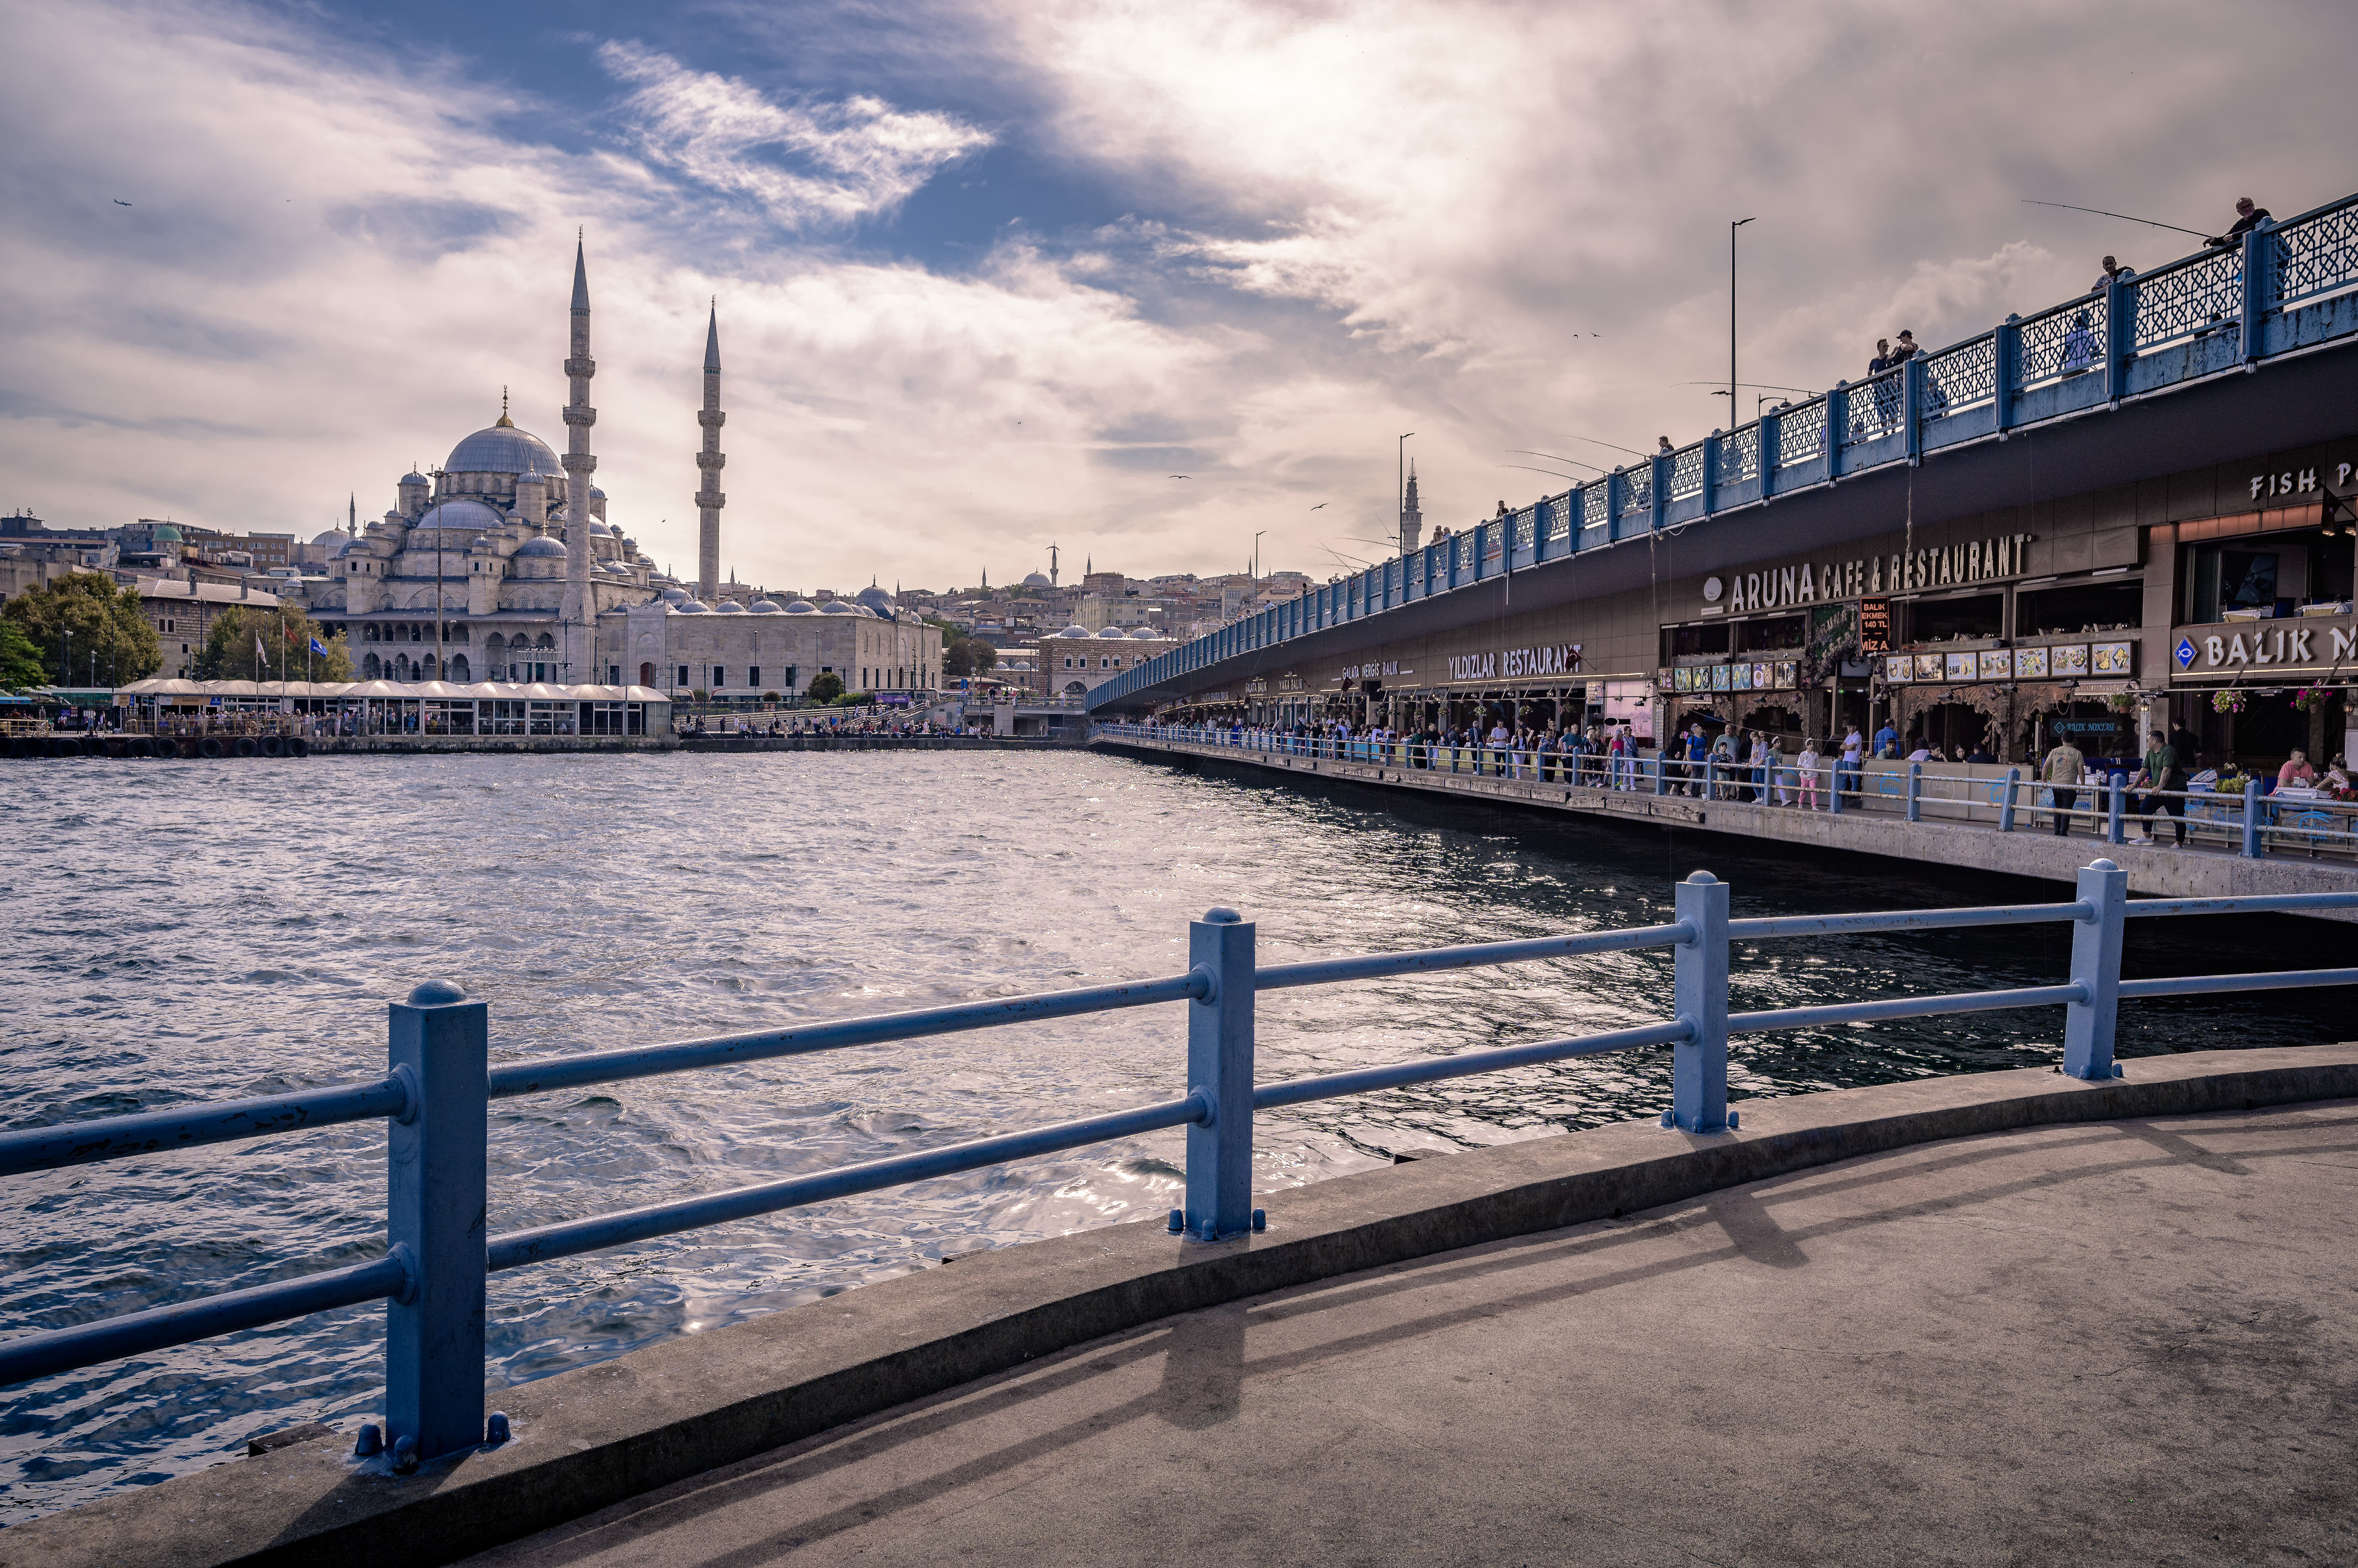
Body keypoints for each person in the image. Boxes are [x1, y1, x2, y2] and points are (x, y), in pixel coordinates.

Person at [2132, 729, 2186, 847]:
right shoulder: (2151, 753)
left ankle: (2179, 843)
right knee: (2145, 807)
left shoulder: (2168, 750)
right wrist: (2134, 785)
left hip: (2174, 789)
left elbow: (2167, 770)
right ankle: (2146, 837)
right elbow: (2144, 770)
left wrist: (2161, 785)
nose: (2147, 742)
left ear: (2154, 741)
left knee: (2177, 816)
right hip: (2158, 790)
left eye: (2148, 740)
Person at [2043, 726, 2086, 837]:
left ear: (2062, 739)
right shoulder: (2077, 753)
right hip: (2069, 785)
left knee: (2057, 807)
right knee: (2066, 809)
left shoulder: (2054, 752)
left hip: (2056, 785)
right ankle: (2063, 831)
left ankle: (2056, 830)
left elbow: (2045, 766)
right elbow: (2081, 770)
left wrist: (2043, 781)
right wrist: (2082, 785)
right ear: (2074, 740)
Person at [2206, 197, 2272, 249]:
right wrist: (2214, 241)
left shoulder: (2262, 213)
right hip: (2257, 251)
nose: (2247, 208)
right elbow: (2227, 236)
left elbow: (2253, 228)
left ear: (2253, 205)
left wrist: (2233, 236)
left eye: (2249, 205)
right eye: (2244, 208)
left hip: (2274, 246)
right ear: (2239, 212)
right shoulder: (2240, 223)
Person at [2061, 310, 2097, 375]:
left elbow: (2065, 352)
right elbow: (2096, 350)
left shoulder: (2070, 335)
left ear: (2075, 324)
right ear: (2085, 324)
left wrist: (2059, 367)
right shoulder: (2089, 334)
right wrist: (2089, 356)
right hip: (2084, 365)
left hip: (2071, 366)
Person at [1839, 724, 1864, 799]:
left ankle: (1853, 794)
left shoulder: (1858, 736)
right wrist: (1848, 747)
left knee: (1853, 777)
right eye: (1847, 728)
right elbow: (1841, 746)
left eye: (1850, 727)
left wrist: (1847, 747)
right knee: (1844, 776)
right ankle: (1843, 793)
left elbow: (1851, 747)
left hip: (1853, 759)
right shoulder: (1849, 736)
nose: (1848, 729)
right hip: (1846, 758)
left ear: (1855, 727)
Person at [1797, 736, 1821, 810]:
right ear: (1807, 745)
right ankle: (1800, 803)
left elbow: (1817, 765)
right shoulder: (1803, 754)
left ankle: (1814, 805)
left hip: (1813, 774)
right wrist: (1802, 769)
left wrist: (1819, 773)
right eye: (1810, 744)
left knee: (1813, 790)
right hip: (1805, 775)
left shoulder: (1815, 755)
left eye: (1813, 744)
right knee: (1803, 790)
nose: (1812, 746)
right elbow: (1799, 764)